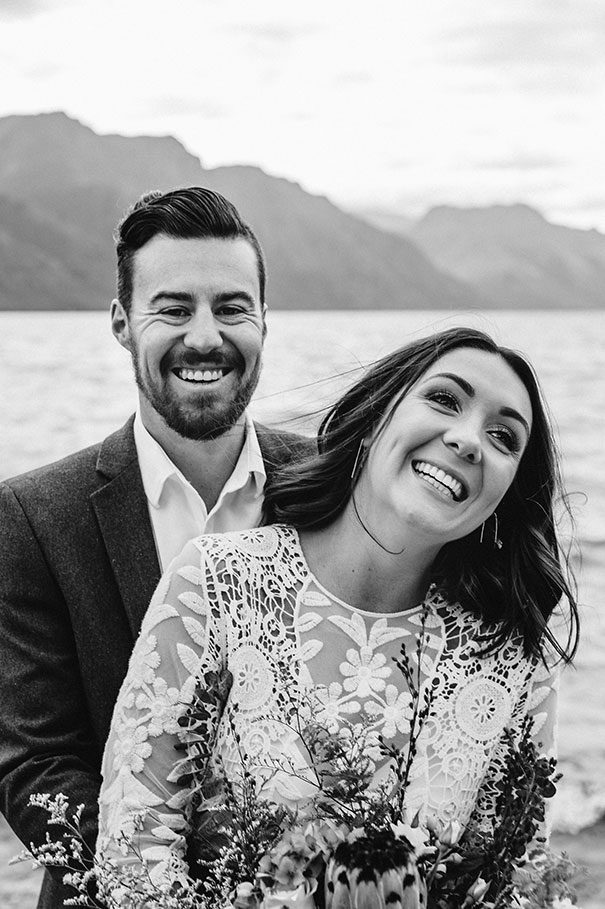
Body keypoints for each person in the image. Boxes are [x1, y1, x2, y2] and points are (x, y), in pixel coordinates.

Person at [97, 327, 579, 892]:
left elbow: (515, 878)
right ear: (374, 420)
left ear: (506, 492)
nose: (469, 440)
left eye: (503, 437)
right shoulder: (217, 582)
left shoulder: (514, 655)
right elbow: (134, 845)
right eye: (445, 399)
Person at [0, 186, 312, 909]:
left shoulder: (334, 487)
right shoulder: (31, 517)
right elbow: (34, 767)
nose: (204, 336)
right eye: (173, 309)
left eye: (232, 308)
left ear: (264, 321)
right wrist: (183, 890)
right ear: (121, 322)